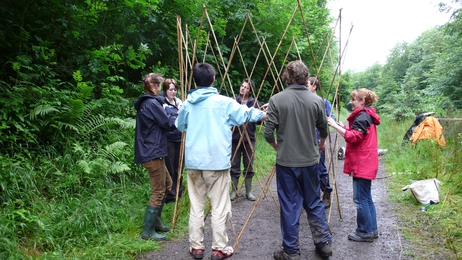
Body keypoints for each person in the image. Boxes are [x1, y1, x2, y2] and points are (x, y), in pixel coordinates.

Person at [175, 62, 266, 260]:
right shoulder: (224, 103)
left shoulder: (188, 104)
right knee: (219, 206)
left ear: (195, 81)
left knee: (197, 206)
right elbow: (247, 114)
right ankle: (219, 248)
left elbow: (180, 125)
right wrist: (263, 113)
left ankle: (196, 247)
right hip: (216, 162)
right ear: (213, 80)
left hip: (194, 163)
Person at [264, 60, 332, 259]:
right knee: (313, 202)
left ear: (287, 77)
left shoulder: (277, 100)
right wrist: (322, 144)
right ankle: (323, 243)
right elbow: (323, 128)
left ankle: (291, 251)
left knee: (290, 205)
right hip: (310, 161)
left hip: (286, 163)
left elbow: (268, 134)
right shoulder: (316, 101)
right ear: (305, 77)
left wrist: (278, 148)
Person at [327, 88, 380, 243]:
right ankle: (372, 229)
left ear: (362, 101)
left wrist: (335, 127)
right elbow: (358, 134)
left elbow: (354, 138)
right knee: (366, 197)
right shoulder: (366, 115)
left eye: (353, 99)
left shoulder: (362, 116)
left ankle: (364, 232)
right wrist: (342, 126)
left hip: (363, 163)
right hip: (366, 161)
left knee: (360, 199)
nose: (350, 102)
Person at [134, 72, 178, 241]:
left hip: (154, 151)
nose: (160, 88)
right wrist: (180, 117)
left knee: (167, 184)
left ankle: (156, 221)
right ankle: (148, 231)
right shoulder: (151, 104)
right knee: (159, 189)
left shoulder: (149, 103)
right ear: (152, 86)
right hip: (152, 153)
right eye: (158, 85)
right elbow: (167, 123)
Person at [307, 77, 336, 208]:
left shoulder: (323, 102)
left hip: (318, 138)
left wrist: (321, 120)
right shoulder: (304, 101)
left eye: (306, 84)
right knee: (307, 168)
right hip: (305, 139)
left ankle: (326, 193)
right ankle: (311, 195)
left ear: (314, 86)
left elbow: (331, 119)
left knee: (320, 168)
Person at [230, 78, 261, 201]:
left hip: (249, 139)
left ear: (250, 91)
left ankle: (248, 192)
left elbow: (258, 120)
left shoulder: (254, 103)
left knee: (249, 165)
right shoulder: (233, 101)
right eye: (242, 86)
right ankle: (234, 191)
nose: (243, 88)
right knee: (234, 164)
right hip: (235, 138)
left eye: (246, 87)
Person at [161, 78, 184, 203]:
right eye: (171, 90)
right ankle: (170, 194)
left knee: (179, 166)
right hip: (169, 139)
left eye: (175, 89)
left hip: (180, 138)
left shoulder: (179, 102)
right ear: (165, 90)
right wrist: (177, 114)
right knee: (169, 167)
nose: (173, 92)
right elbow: (166, 121)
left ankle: (178, 192)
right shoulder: (162, 104)